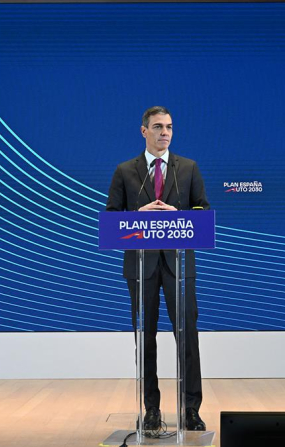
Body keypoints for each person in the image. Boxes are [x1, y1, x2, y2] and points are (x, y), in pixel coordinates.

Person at [106, 106, 209, 431]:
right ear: (144, 131)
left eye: (169, 127)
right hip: (142, 266)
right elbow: (111, 218)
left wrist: (179, 214)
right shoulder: (125, 171)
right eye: (158, 127)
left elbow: (203, 212)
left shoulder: (188, 168)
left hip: (179, 266)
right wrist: (138, 215)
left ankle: (191, 409)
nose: (165, 132)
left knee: (187, 338)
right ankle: (151, 409)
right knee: (146, 339)